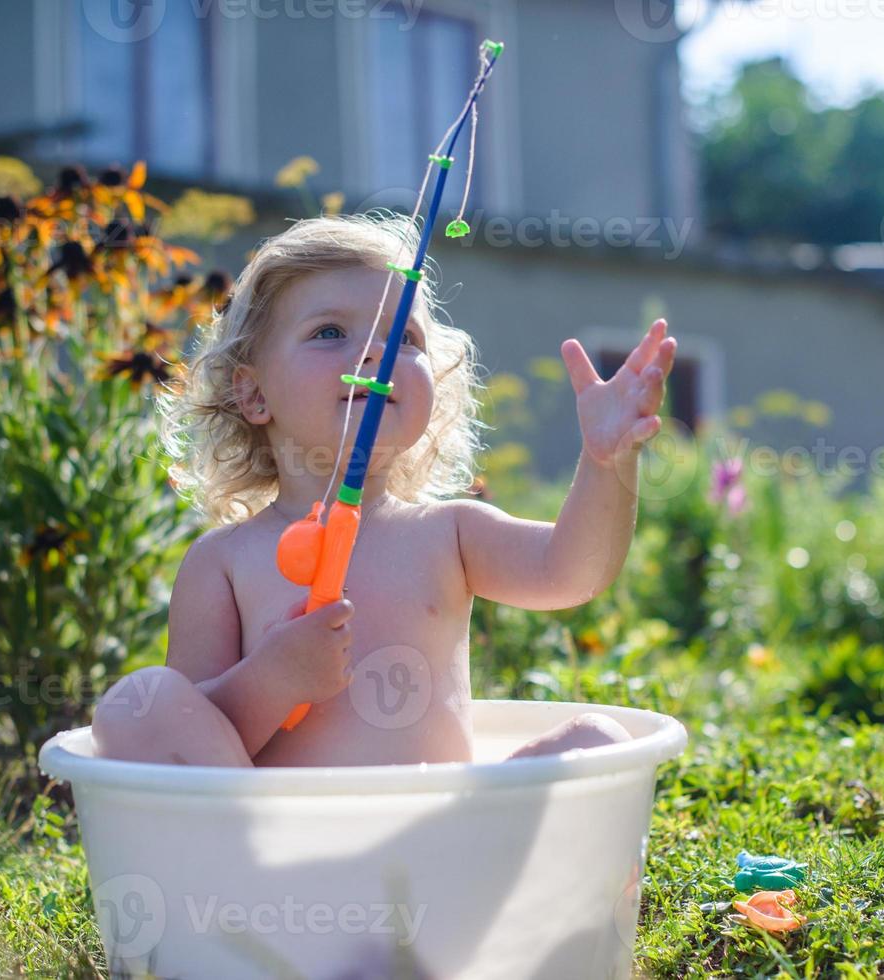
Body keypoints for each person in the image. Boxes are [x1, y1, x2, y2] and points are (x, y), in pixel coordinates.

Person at [92, 213, 676, 768]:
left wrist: (608, 461)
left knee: (596, 740)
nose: (374, 352)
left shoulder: (450, 533)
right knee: (138, 703)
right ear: (253, 394)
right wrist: (269, 681)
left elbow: (574, 573)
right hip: (281, 849)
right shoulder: (222, 562)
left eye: (404, 336)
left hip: (435, 838)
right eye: (329, 332)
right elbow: (182, 739)